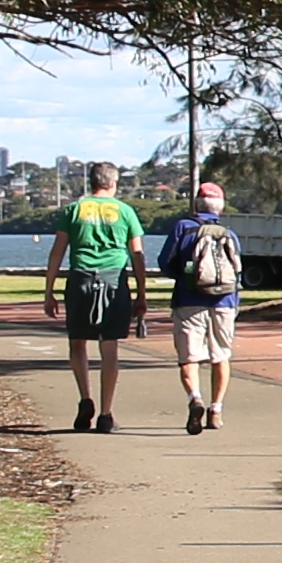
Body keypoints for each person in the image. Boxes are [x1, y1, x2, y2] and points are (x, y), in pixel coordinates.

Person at [43, 161, 149, 432]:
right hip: (114, 278)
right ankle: (105, 412)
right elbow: (137, 255)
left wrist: (50, 291)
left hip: (80, 278)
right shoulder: (125, 211)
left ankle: (84, 397)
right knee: (109, 345)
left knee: (77, 341)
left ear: (91, 182)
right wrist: (140, 293)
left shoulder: (74, 209)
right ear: (113, 183)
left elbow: (58, 251)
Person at [160, 177, 247, 433]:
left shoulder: (183, 228)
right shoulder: (228, 234)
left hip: (189, 299)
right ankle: (216, 409)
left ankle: (194, 398)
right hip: (224, 301)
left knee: (189, 356)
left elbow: (166, 262)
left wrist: (186, 274)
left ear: (197, 204)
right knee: (221, 354)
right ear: (219, 208)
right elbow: (237, 270)